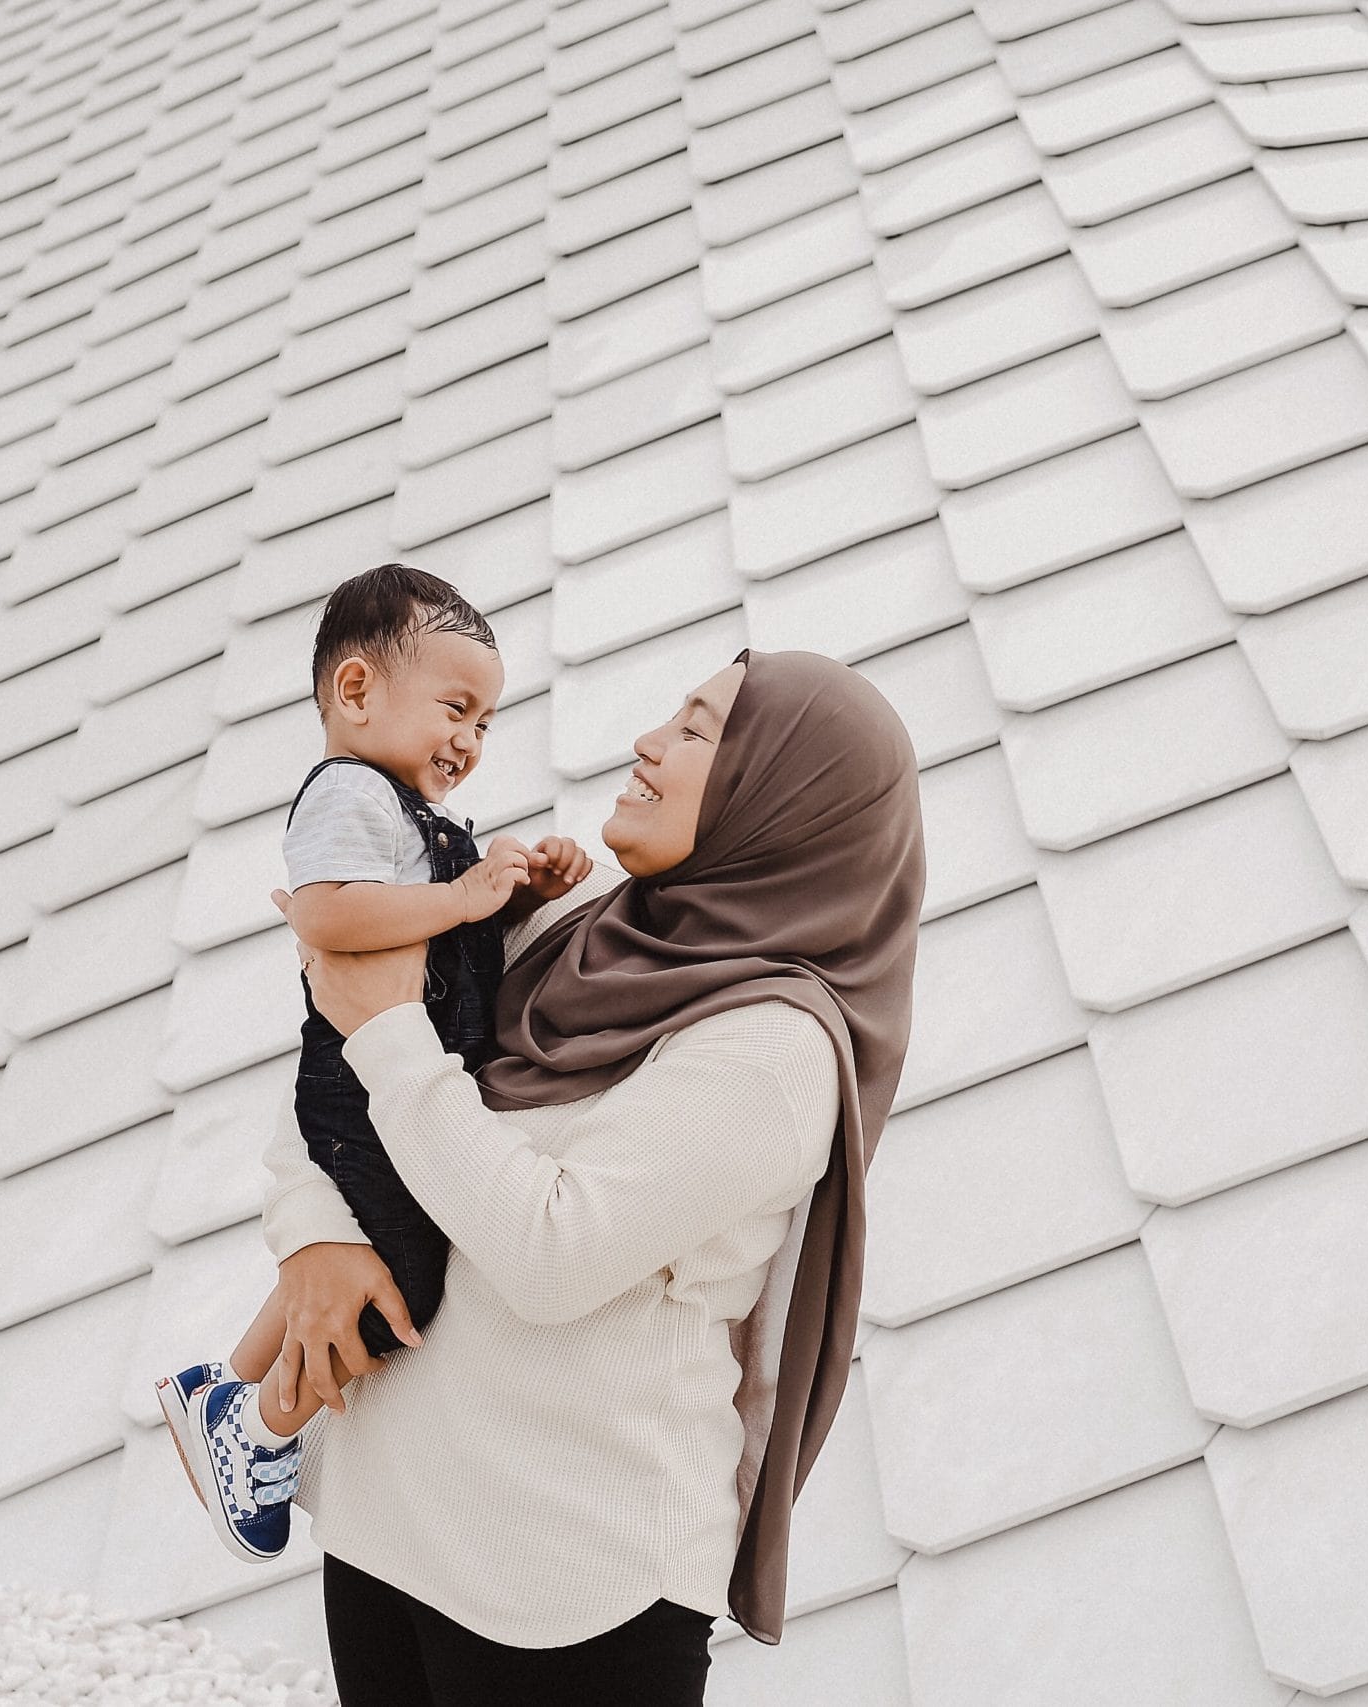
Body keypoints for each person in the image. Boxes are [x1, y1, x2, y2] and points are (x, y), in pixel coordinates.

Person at [258, 648, 925, 1706]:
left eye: (700, 730)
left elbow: (551, 1252)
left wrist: (387, 1034)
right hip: (387, 1519)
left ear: (781, 798)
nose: (650, 742)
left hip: (570, 1587)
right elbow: (332, 1066)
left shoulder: (771, 1051)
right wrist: (313, 1232)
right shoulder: (580, 925)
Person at [155, 563, 593, 1563]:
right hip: (358, 1078)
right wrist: (463, 900)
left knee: (363, 1242)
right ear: (355, 691)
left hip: (390, 1072)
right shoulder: (350, 793)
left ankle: (228, 1392)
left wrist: (518, 887)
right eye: (455, 708)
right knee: (403, 1283)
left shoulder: (409, 816)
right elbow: (329, 912)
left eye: (485, 722)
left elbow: (438, 926)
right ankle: (264, 1424)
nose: (471, 741)